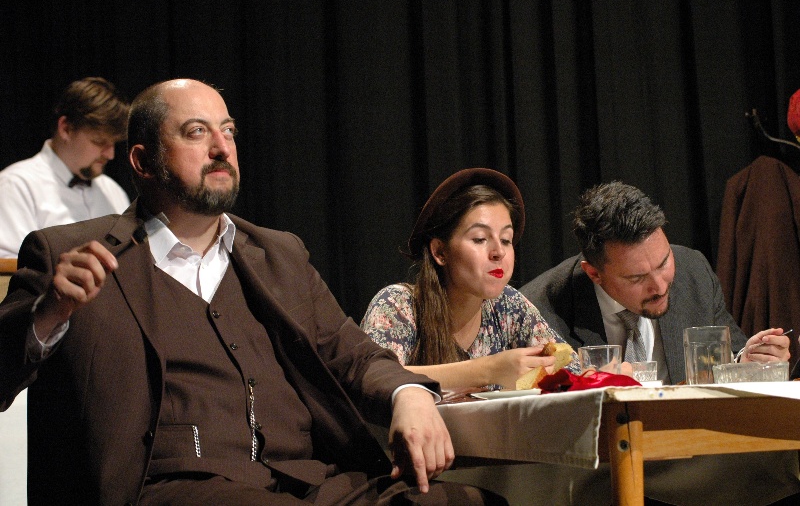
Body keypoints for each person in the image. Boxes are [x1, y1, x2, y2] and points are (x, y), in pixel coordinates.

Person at [0, 79, 505, 505]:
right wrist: (50, 314)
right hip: (170, 488)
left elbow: (353, 355)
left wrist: (409, 394)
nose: (222, 148)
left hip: (313, 482)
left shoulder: (279, 254)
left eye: (228, 131)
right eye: (196, 132)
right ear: (143, 160)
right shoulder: (66, 252)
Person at [520, 181, 790, 384]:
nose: (660, 287)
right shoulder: (538, 312)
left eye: (663, 263)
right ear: (594, 274)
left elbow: (732, 356)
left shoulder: (694, 272)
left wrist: (750, 361)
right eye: (636, 278)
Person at [361, 168, 579, 390]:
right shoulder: (398, 304)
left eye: (506, 240)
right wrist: (488, 370)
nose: (498, 252)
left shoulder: (508, 305)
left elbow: (573, 370)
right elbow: (376, 376)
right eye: (480, 239)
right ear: (440, 252)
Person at [0, 77, 131, 258]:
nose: (110, 155)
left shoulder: (113, 191)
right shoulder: (16, 186)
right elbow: (7, 268)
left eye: (113, 143)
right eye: (99, 142)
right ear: (66, 129)